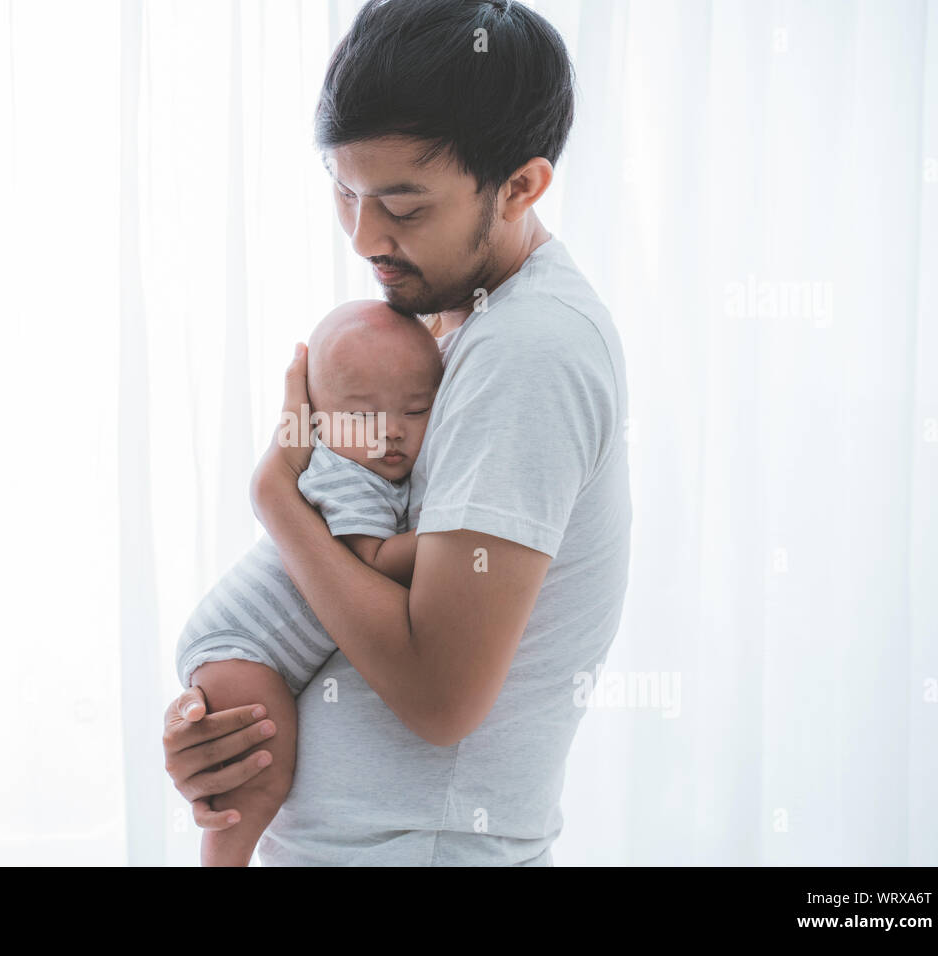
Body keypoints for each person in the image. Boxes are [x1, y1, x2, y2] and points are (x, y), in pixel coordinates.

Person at [162, 0, 631, 865]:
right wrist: (235, 720)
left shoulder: (527, 351)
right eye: (345, 191)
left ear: (522, 186)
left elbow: (441, 694)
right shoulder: (450, 331)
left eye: (404, 206)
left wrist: (279, 504)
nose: (366, 236)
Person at [174, 299, 442, 866]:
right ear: (315, 420)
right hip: (243, 643)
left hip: (250, 647)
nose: (390, 432)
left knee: (251, 768)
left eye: (416, 411)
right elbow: (369, 557)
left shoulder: (372, 466)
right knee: (260, 774)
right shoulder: (342, 474)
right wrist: (449, 539)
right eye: (363, 416)